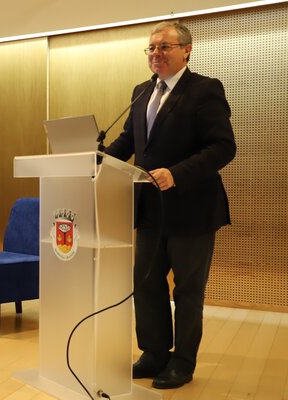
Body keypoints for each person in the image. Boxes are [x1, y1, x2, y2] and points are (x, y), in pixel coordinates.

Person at [105, 21, 236, 389]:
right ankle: (154, 352)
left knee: (187, 291)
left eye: (164, 47)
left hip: (192, 209)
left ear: (186, 50)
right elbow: (128, 141)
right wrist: (95, 160)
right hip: (150, 210)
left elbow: (223, 147)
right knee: (146, 283)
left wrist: (177, 174)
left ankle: (182, 361)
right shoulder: (141, 91)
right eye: (151, 48)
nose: (156, 54)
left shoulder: (205, 89)